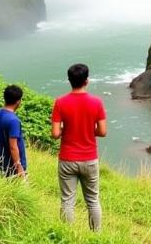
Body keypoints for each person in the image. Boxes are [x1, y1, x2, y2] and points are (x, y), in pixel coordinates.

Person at [51, 63, 107, 232]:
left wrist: (66, 129)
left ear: (69, 80)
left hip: (67, 158)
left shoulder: (60, 102)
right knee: (93, 200)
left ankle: (67, 235)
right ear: (87, 81)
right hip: (89, 158)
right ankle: (96, 236)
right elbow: (103, 131)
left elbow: (55, 134)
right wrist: (90, 130)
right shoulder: (96, 102)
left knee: (67, 200)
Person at [0, 84, 27, 178]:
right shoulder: (14, 121)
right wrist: (19, 166)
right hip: (11, 165)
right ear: (18, 101)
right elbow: (13, 146)